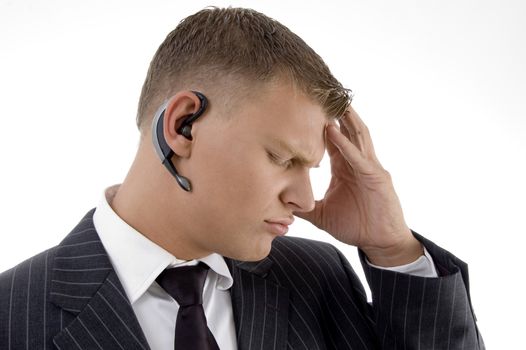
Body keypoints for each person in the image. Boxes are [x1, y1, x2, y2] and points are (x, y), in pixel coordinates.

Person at [0, 7, 484, 350]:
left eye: (310, 169)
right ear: (183, 126)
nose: (305, 199)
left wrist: (392, 246)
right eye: (282, 158)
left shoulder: (318, 278)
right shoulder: (10, 314)